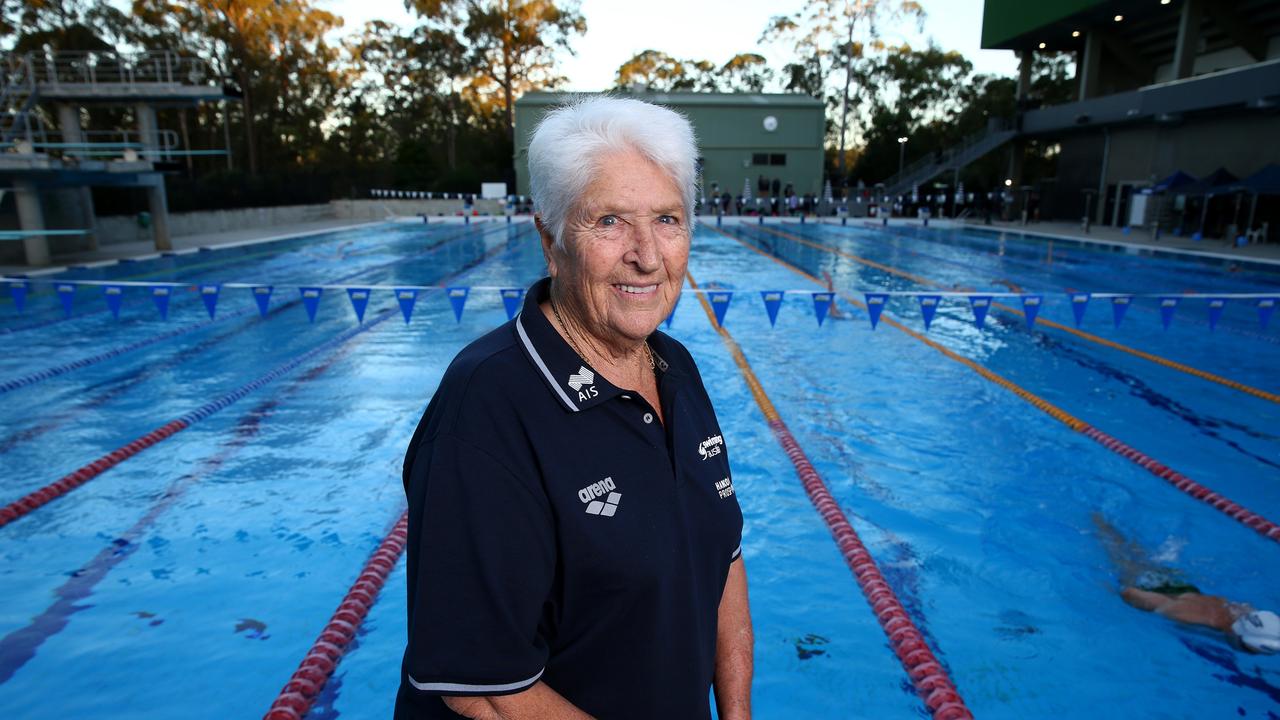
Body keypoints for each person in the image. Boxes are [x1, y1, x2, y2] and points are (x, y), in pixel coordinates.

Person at [396, 96, 752, 720]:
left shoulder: (676, 368)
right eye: (610, 221)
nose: (647, 254)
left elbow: (723, 562)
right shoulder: (488, 407)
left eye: (668, 219)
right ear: (551, 240)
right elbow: (485, 691)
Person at [1093, 513, 1279, 654]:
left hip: (1185, 588)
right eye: (1246, 648)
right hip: (1153, 588)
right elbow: (1130, 593)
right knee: (1117, 550)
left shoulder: (1245, 612)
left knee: (1139, 554)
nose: (1249, 652)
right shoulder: (1189, 616)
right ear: (1236, 633)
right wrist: (1115, 592)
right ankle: (1098, 520)